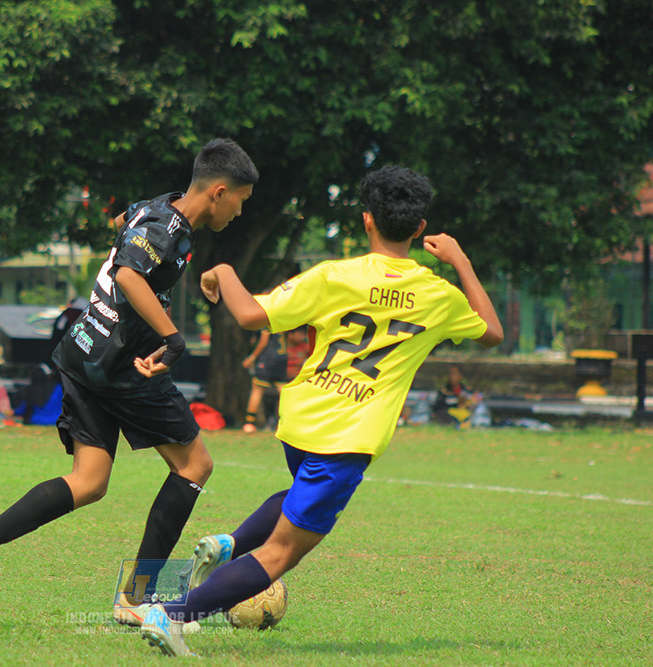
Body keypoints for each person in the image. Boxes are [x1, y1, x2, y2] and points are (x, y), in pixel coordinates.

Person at [137, 165, 504, 657]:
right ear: (420, 228)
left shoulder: (335, 275)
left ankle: (229, 544)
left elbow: (250, 315)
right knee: (280, 554)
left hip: (301, 421)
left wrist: (223, 271)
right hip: (349, 438)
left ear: (366, 219)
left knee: (297, 492)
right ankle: (172, 614)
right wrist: (460, 260)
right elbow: (492, 331)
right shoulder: (438, 295)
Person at [0, 138, 258, 620]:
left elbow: (122, 228)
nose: (240, 211)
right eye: (240, 200)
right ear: (219, 192)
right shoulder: (168, 226)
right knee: (195, 465)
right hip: (125, 366)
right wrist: (173, 338)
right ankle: (137, 597)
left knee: (89, 481)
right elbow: (129, 274)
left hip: (85, 351)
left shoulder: (154, 207)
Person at [240, 329, 288, 433]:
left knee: (257, 389)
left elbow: (263, 342)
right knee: (283, 391)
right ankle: (286, 421)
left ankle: (249, 423)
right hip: (282, 357)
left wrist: (252, 358)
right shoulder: (282, 322)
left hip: (268, 358)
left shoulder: (267, 322)